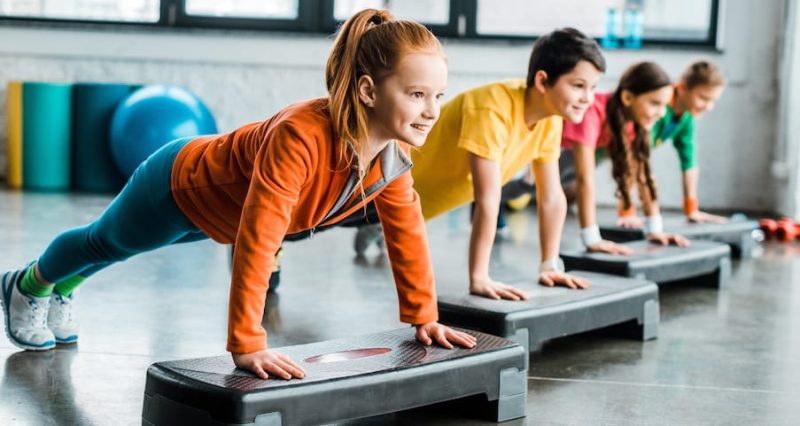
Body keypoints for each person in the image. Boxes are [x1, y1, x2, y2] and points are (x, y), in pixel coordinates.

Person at [0, 9, 475, 381]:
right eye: (417, 94)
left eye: (439, 96)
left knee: (122, 248)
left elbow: (406, 233)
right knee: (104, 243)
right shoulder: (301, 136)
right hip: (178, 186)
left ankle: (64, 285)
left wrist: (424, 318)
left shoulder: (390, 160)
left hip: (215, 216)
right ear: (369, 90)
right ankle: (27, 284)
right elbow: (260, 238)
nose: (432, 110)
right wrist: (247, 341)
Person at [354, 28, 606, 300]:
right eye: (579, 86)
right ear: (543, 81)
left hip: (412, 207)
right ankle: (372, 226)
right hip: (373, 189)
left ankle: (376, 228)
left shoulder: (550, 119)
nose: (588, 98)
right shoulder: (491, 108)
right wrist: (479, 277)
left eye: (593, 88)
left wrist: (550, 265)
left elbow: (552, 197)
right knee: (305, 224)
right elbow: (487, 200)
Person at [561, 61, 690, 253]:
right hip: (554, 150)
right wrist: (592, 239)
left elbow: (644, 175)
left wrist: (655, 230)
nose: (662, 113)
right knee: (523, 186)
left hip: (578, 151)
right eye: (655, 103)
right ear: (628, 97)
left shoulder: (636, 123)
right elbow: (584, 179)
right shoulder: (592, 111)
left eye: (664, 105)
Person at [638, 60, 727, 226]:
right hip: (588, 148)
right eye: (703, 98)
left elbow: (689, 163)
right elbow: (637, 160)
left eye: (713, 101)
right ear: (682, 86)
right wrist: (628, 212)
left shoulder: (686, 118)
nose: (708, 106)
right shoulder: (657, 107)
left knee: (574, 191)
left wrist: (691, 208)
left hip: (604, 157)